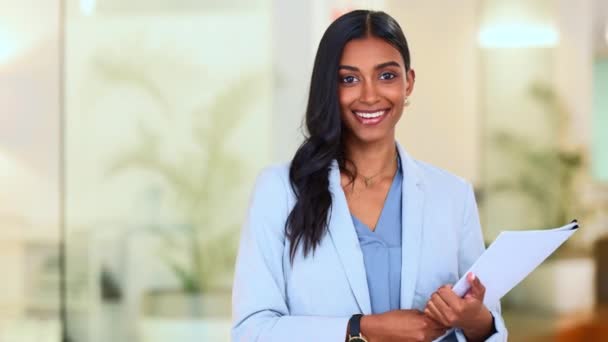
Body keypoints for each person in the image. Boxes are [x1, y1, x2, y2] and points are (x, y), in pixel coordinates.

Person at [232, 9, 507, 342]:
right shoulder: (279, 191)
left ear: (409, 83)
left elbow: (489, 326)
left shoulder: (452, 196)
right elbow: (251, 331)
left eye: (387, 76)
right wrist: (364, 329)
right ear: (329, 89)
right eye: (349, 79)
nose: (369, 95)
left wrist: (476, 320)